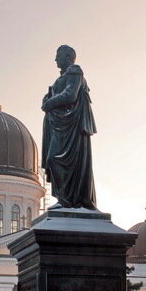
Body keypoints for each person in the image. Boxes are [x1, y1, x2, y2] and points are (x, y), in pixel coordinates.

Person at [41, 45, 97, 209]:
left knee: (55, 159)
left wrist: (49, 103)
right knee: (54, 159)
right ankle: (64, 198)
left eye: (58, 55)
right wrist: (48, 99)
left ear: (68, 57)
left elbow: (70, 94)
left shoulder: (75, 71)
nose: (55, 59)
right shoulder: (60, 78)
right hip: (60, 125)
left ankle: (67, 199)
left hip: (71, 127)